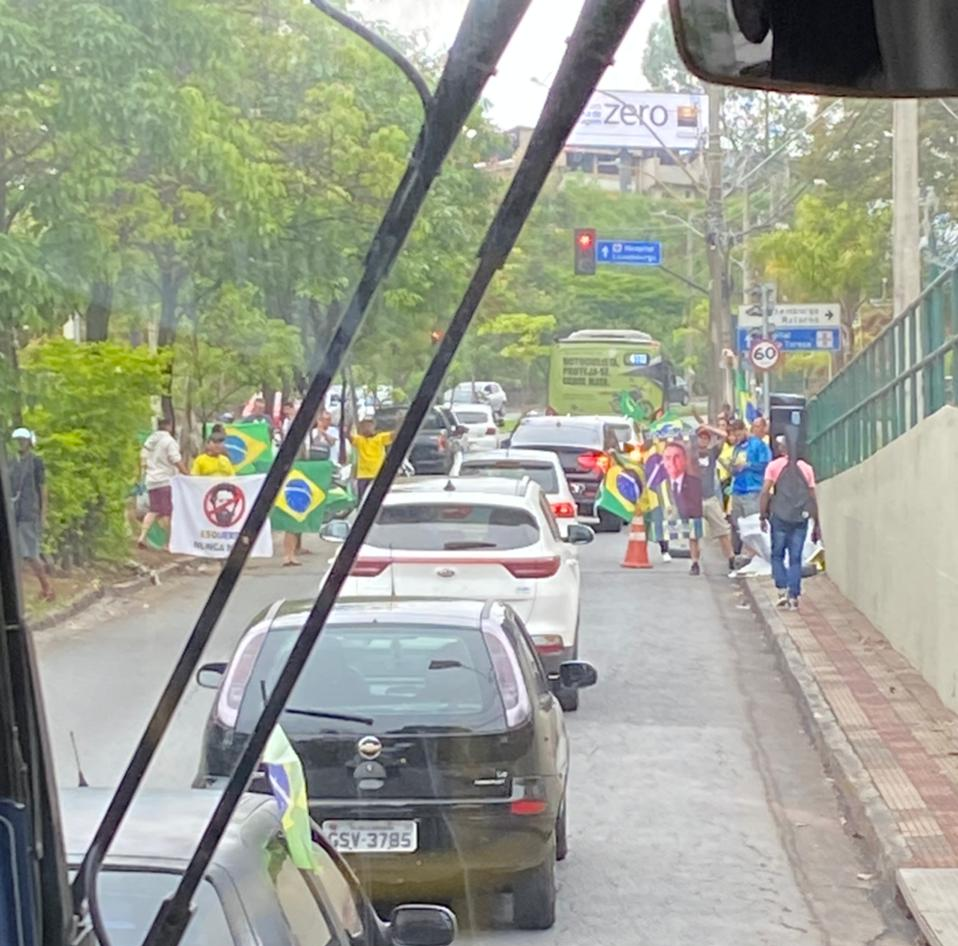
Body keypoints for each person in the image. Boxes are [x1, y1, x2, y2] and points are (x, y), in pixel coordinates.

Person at [760, 429, 821, 610]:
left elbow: (765, 492)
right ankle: (793, 596)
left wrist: (762, 515)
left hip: (779, 516)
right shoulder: (807, 468)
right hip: (800, 519)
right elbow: (812, 497)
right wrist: (817, 523)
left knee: (777, 555)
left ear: (782, 448)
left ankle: (781, 589)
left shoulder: (774, 466)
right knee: (795, 558)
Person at [9, 428, 54, 600]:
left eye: (23, 439)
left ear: (29, 442)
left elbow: (43, 489)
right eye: (17, 440)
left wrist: (43, 515)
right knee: (19, 554)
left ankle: (47, 588)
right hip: (14, 512)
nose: (20, 443)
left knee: (30, 553)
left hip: (29, 512)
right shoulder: (12, 461)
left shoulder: (36, 462)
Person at [728, 417, 772, 574]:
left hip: (753, 489)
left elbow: (766, 464)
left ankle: (757, 555)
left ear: (744, 431)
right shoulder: (737, 448)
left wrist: (748, 466)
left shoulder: (758, 445)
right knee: (739, 525)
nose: (736, 437)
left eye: (738, 434)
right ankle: (743, 555)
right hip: (738, 489)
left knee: (753, 523)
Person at [137, 418, 188, 550]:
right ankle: (168, 542)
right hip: (165, 481)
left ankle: (142, 536)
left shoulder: (150, 440)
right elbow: (175, 459)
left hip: (151, 480)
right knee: (166, 512)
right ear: (169, 426)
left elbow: (142, 457)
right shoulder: (169, 441)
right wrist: (186, 474)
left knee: (153, 509)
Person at [696, 426, 736, 574]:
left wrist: (708, 428)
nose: (703, 440)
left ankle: (731, 558)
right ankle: (695, 562)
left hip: (710, 497)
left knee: (722, 530)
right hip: (695, 499)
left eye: (706, 438)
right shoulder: (690, 454)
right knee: (694, 534)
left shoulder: (712, 453)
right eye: (701, 437)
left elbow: (725, 435)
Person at [662, 439, 704, 576]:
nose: (672, 462)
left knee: (694, 535)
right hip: (673, 517)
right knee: (690, 536)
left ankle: (696, 562)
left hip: (692, 511)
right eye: (668, 458)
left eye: (677, 457)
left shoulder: (693, 481)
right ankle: (693, 562)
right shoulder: (661, 484)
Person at [349, 417, 394, 501]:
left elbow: (394, 435)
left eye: (368, 425)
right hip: (363, 476)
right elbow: (349, 437)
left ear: (373, 426)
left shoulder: (380, 438)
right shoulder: (359, 440)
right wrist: (349, 423)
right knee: (363, 500)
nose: (366, 428)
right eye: (363, 426)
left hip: (377, 475)